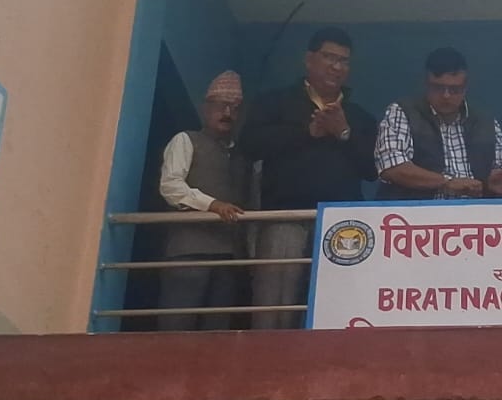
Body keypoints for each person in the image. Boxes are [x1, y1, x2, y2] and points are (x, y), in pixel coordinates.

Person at [238, 27, 379, 329]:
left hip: (341, 225)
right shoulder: (275, 102)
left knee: (337, 308)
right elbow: (249, 145)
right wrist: (307, 132)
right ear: (309, 59)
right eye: (329, 57)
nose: (336, 67)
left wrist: (344, 133)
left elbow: (373, 170)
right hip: (284, 217)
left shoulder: (360, 117)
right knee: (274, 308)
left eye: (343, 61)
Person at [155, 71, 250, 331]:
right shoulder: (186, 140)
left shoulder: (241, 157)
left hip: (228, 256)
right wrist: (212, 205)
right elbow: (171, 186)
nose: (228, 113)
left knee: (217, 330)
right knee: (177, 326)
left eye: (234, 108)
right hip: (188, 252)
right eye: (221, 106)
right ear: (205, 108)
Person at [375, 47, 502, 200]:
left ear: (465, 88)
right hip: (418, 212)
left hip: (475, 212)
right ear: (426, 84)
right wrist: (447, 182)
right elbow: (392, 168)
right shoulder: (403, 112)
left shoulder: (486, 122)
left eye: (454, 89)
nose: (446, 96)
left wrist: (491, 184)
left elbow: (501, 174)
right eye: (437, 88)